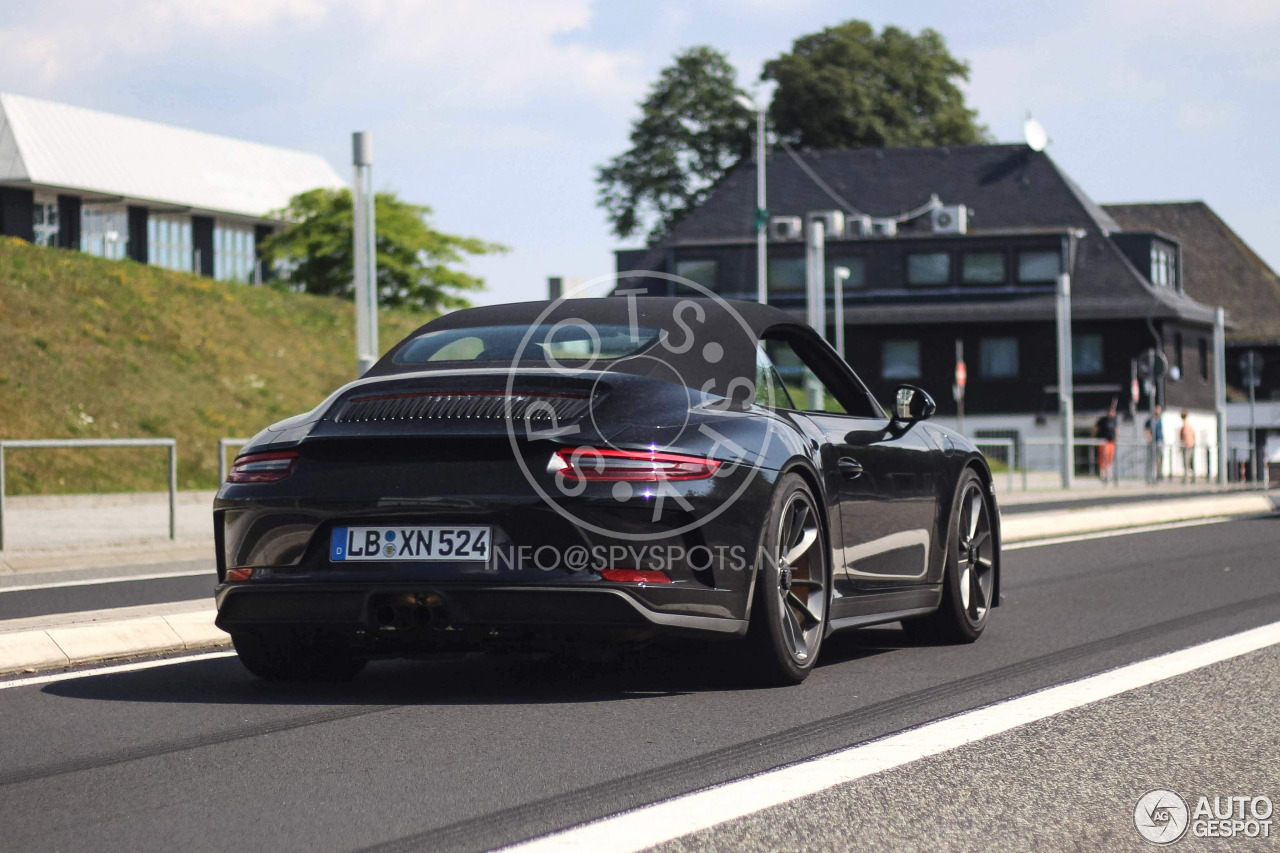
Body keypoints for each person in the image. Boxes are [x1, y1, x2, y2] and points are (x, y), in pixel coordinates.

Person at [1093, 400, 1118, 484]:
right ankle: (1103, 475)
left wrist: (1116, 438)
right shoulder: (1102, 420)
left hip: (1111, 442)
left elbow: (1116, 430)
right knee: (1103, 458)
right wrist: (1095, 437)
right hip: (1104, 441)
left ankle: (1109, 475)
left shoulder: (1114, 421)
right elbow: (1095, 429)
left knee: (1110, 459)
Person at [1144, 405, 1165, 483]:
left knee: (1160, 459)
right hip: (1152, 443)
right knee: (1151, 460)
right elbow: (1147, 431)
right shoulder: (1150, 421)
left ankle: (1158, 475)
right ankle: (1150, 477)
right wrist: (1150, 440)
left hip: (1159, 442)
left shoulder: (1160, 420)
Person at [1180, 411, 1197, 484]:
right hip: (1189, 446)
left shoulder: (1185, 427)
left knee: (1187, 463)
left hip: (1188, 446)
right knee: (1188, 463)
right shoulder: (1188, 426)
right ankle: (1190, 478)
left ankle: (1188, 478)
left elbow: (1183, 437)